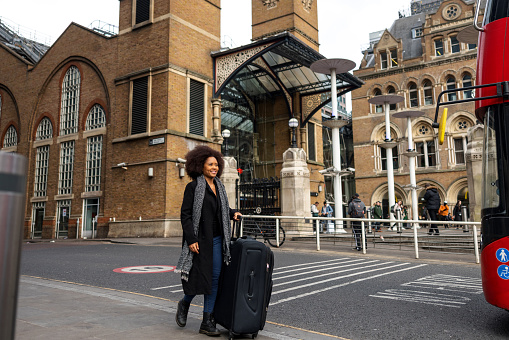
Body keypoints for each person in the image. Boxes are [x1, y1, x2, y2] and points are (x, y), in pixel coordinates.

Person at [175, 145, 242, 336]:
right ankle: (185, 302)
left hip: (218, 239)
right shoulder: (193, 187)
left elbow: (221, 210)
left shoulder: (219, 186)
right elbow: (186, 215)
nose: (214, 167)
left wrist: (233, 213)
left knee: (213, 280)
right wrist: (191, 239)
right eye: (210, 164)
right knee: (199, 278)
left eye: (216, 165)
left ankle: (207, 321)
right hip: (200, 240)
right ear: (200, 165)